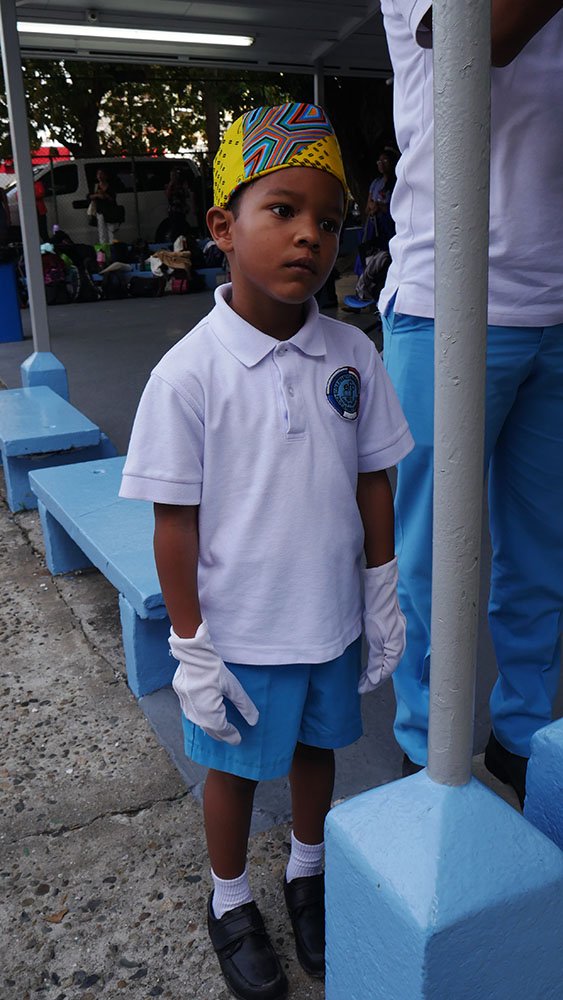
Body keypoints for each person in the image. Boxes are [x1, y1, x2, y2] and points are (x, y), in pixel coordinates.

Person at [120, 101, 414, 1000]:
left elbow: (372, 479)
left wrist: (380, 588)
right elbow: (174, 522)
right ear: (222, 226)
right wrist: (190, 644)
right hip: (241, 633)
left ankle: (306, 871)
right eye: (281, 210)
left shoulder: (351, 353)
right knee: (234, 772)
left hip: (328, 619)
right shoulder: (189, 373)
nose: (308, 236)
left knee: (320, 750)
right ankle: (229, 899)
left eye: (329, 219)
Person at [378, 1, 563, 807]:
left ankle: (520, 739)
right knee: (430, 559)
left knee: (542, 554)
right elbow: (475, 33)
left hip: (554, 302)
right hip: (445, 296)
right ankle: (428, 751)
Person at [89, 168, 120, 245]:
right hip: (100, 211)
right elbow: (89, 196)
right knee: (102, 232)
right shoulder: (95, 186)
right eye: (98, 174)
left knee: (111, 231)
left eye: (101, 174)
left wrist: (105, 195)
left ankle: (112, 247)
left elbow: (113, 198)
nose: (99, 176)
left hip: (110, 211)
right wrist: (97, 195)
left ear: (106, 176)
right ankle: (104, 248)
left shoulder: (111, 186)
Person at [34, 178, 48, 243]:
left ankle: (46, 243)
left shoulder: (38, 184)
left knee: (43, 229)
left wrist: (30, 195)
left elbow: (41, 194)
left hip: (39, 210)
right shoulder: (23, 185)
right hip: (30, 211)